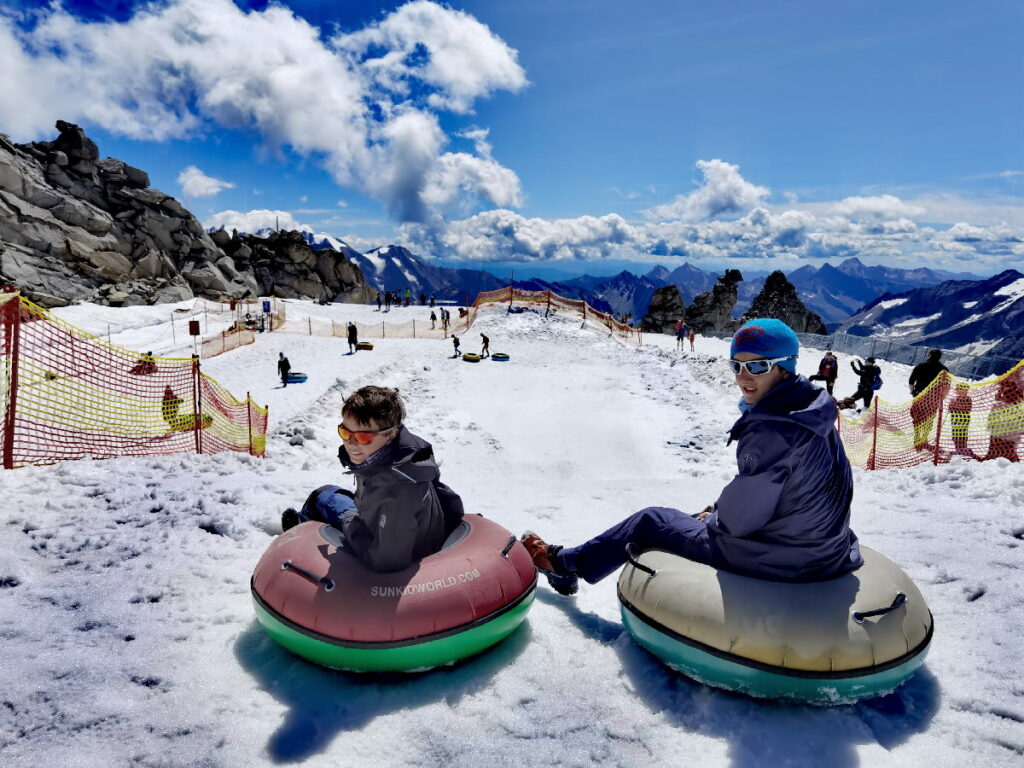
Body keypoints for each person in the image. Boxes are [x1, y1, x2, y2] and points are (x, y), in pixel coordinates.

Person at [521, 318, 862, 596]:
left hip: (779, 559)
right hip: (827, 551)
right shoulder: (814, 412)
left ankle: (565, 565)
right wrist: (717, 510)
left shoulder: (772, 429)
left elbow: (737, 523)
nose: (743, 377)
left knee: (651, 519)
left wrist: (714, 520)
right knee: (693, 516)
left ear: (784, 368)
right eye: (736, 365)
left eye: (757, 366)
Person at [281, 386, 465, 572]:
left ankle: (298, 538)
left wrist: (348, 521)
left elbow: (386, 560)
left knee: (322, 497)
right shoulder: (409, 456)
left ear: (391, 433)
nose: (351, 443)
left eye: (363, 436)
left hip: (382, 545)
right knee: (327, 494)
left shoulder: (399, 491)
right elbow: (446, 497)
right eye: (345, 433)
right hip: (386, 522)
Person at [982, 372, 1023, 462]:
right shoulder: (1015, 405)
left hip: (1005, 434)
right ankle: (1006, 458)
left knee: (1001, 447)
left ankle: (1004, 458)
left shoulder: (1002, 405)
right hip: (1005, 434)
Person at [948, 382, 979, 459]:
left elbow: (968, 409)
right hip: (955, 420)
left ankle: (963, 449)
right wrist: (951, 404)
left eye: (958, 389)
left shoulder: (967, 398)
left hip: (963, 420)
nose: (956, 390)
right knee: (955, 435)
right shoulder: (955, 398)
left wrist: (955, 405)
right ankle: (957, 449)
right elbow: (950, 410)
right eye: (957, 389)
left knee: (962, 435)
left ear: (964, 390)